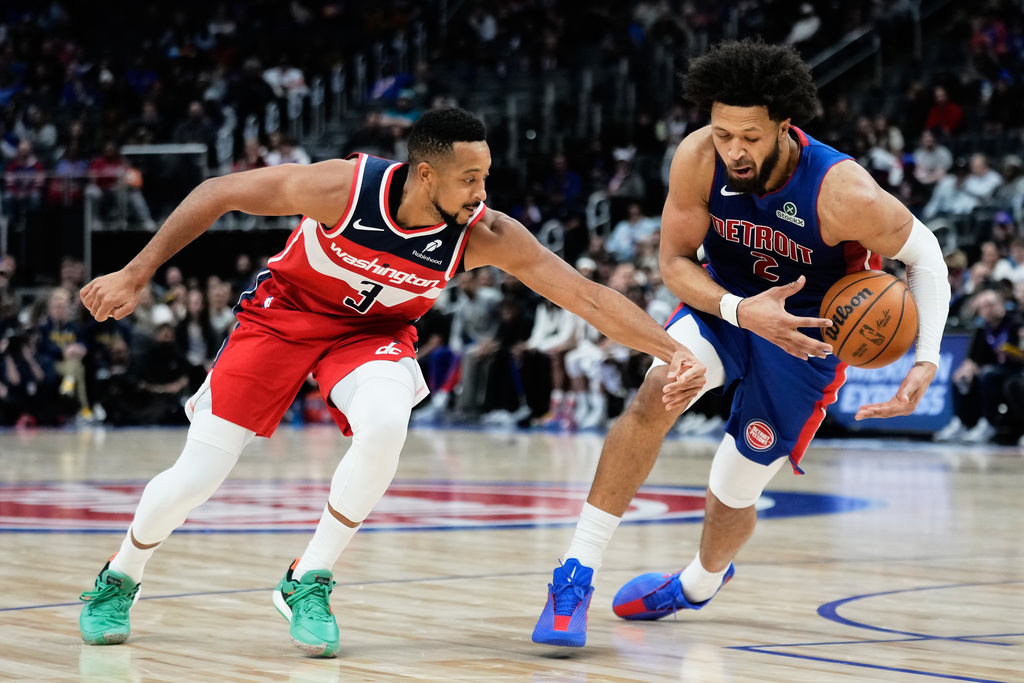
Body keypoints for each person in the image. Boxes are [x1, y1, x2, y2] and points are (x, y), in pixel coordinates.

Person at [76, 108, 706, 657]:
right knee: (195, 478)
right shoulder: (342, 190)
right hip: (283, 317)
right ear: (424, 174)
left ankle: (309, 578)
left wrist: (672, 350)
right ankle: (120, 576)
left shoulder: (482, 234)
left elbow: (587, 297)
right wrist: (136, 274)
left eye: (484, 176)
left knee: (385, 423)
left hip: (370, 335)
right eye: (469, 178)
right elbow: (218, 191)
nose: (480, 191)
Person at [531, 40, 949, 648]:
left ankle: (699, 583)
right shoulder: (699, 158)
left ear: (784, 126)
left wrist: (927, 357)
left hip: (809, 334)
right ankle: (574, 575)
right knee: (656, 394)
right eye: (722, 132)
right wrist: (737, 308)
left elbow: (927, 256)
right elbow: (674, 261)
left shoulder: (843, 193)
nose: (733, 149)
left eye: (749, 136)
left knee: (734, 486)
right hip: (725, 303)